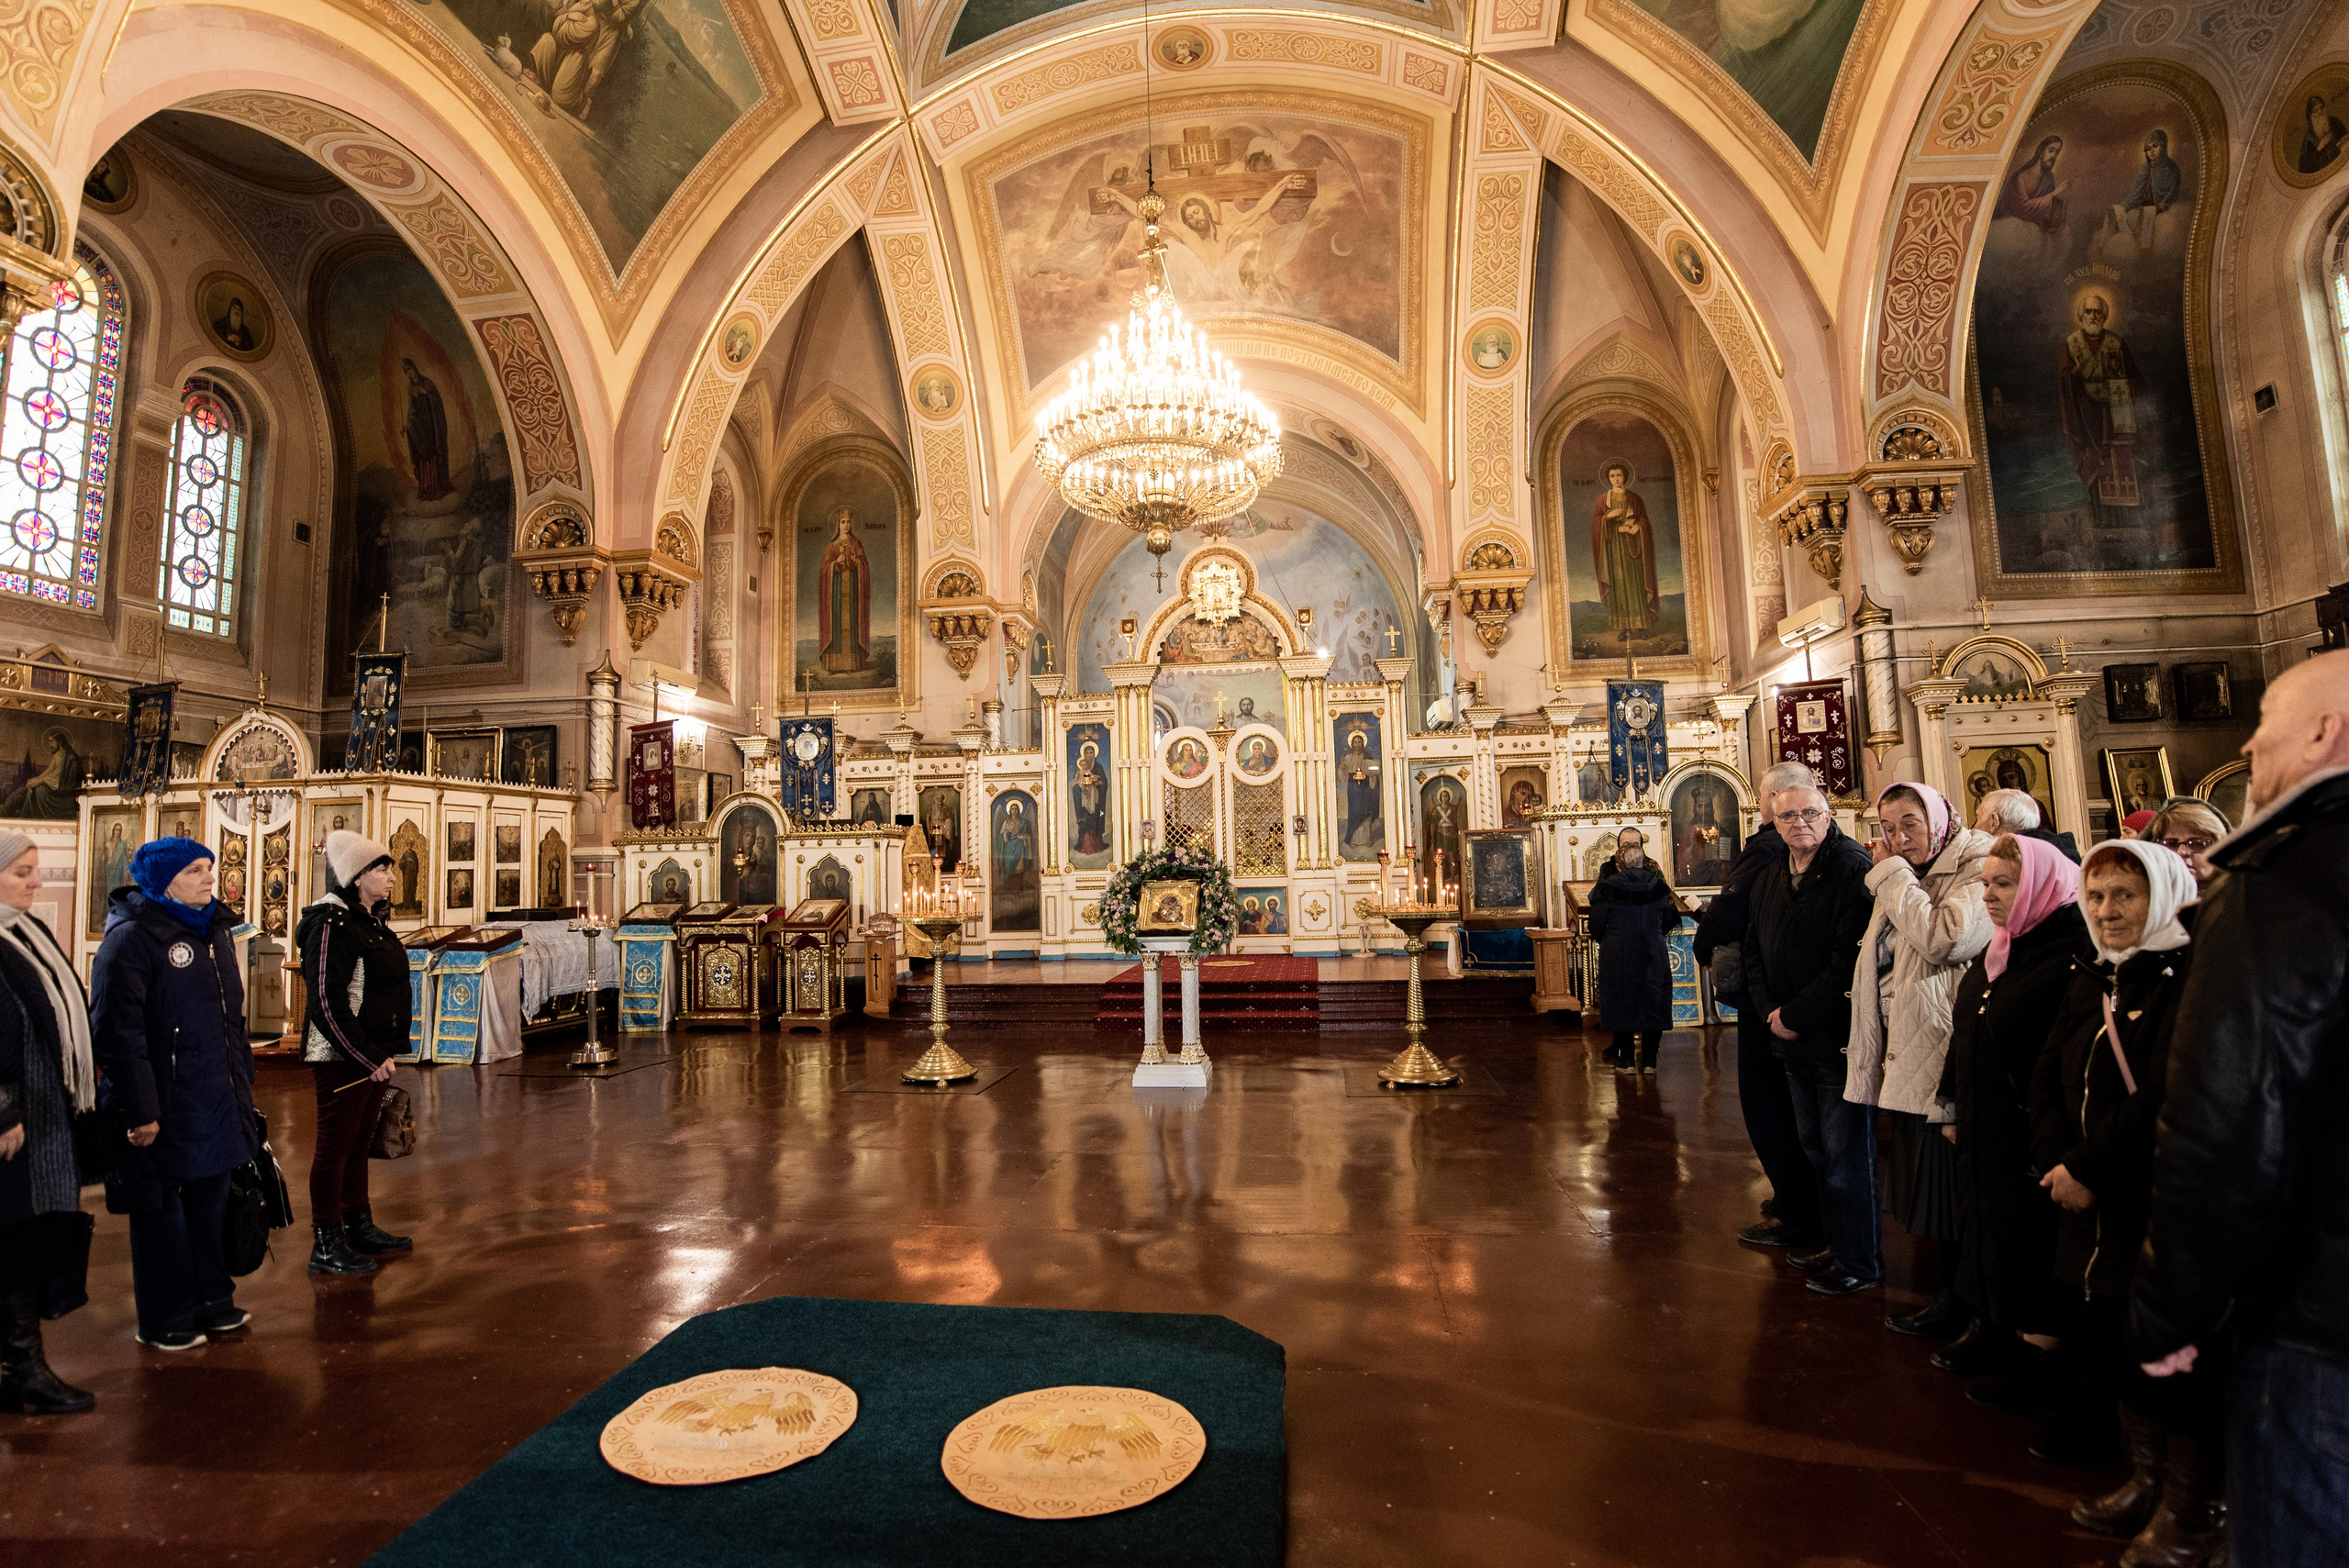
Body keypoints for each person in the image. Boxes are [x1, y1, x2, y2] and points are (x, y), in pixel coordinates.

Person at [2132, 648, 2349, 1568]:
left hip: (2319, 1327)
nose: (2250, 761)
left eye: (2260, 740)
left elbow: (2220, 1133)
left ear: (2323, 734)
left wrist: (2169, 1317)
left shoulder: (2279, 884)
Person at [2030, 842, 2205, 1510]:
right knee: (2096, 1315)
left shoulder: (2181, 974)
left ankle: (2175, 1501)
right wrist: (2054, 1156)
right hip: (2080, 1184)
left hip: (2142, 1191)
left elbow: (2163, 1089)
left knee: (2152, 1339)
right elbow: (2049, 1070)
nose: (2106, 910)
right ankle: (2143, 1478)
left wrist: (2086, 1166)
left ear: (2160, 893)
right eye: (2096, 895)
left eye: (2124, 895)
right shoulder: (2095, 970)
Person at [1937, 836, 2090, 1399]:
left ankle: (2042, 1365)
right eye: (1986, 882)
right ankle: (1994, 1330)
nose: (1990, 894)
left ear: (2041, 884)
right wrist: (1952, 1099)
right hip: (1987, 1120)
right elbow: (1970, 1022)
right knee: (1992, 1229)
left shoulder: (2069, 949)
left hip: (2034, 1129)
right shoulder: (2005, 944)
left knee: (2033, 1245)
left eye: (2005, 883)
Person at [90, 839, 255, 1351]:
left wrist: (240, 1085)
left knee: (210, 1203)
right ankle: (164, 1316)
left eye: (210, 868)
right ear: (162, 882)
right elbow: (118, 1033)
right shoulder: (134, 938)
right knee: (162, 1214)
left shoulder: (216, 931)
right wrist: (139, 1110)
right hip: (160, 1102)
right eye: (196, 871)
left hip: (215, 1094)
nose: (211, 878)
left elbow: (231, 1021)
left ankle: (212, 1299)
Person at [1843, 783, 1994, 1340]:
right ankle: (1949, 1298)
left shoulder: (1977, 864)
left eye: (1910, 823)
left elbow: (1944, 939)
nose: (1898, 838)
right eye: (1886, 829)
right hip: (1910, 1051)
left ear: (1940, 818)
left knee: (1956, 1197)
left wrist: (1892, 876)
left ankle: (1972, 1308)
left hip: (1948, 1054)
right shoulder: (1908, 871)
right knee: (1929, 1196)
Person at [1742, 782, 1878, 1295]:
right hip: (1789, 1035)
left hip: (1834, 1036)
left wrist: (1796, 1014)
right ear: (1774, 824)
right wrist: (1769, 1011)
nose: (1799, 823)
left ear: (1828, 815)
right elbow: (1754, 947)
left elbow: (1850, 961)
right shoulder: (1774, 872)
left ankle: (1860, 1262)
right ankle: (1833, 1243)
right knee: (1815, 1149)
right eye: (1788, 817)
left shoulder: (1850, 868)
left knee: (1847, 1156)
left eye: (1810, 813)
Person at [1694, 761, 1817, 1251]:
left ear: (1769, 800)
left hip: (1767, 997)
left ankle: (1797, 1206)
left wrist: (1704, 946)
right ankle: (1797, 1198)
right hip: (1782, 993)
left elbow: (1731, 909)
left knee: (1770, 1103)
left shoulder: (1767, 846)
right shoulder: (1794, 852)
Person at [0, 831, 96, 1412]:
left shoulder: (24, 931)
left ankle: (22, 1365)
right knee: (12, 1239)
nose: (37, 881)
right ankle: (23, 1369)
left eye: (36, 870)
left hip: (42, 1116)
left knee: (30, 1235)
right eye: (22, 872)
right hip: (13, 1121)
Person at [295, 830, 411, 1276]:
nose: (391, 878)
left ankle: (358, 1225)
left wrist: (381, 1050)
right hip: (341, 1055)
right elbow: (326, 1001)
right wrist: (367, 1055)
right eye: (382, 870)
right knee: (335, 1147)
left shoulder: (366, 920)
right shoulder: (330, 924)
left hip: (369, 1051)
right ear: (357, 877)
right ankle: (326, 1240)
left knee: (359, 1143)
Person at [1587, 828, 1677, 1073]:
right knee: (1653, 999)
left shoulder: (1608, 887)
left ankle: (1626, 1060)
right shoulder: (1658, 886)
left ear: (1620, 863)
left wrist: (1609, 936)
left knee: (1621, 1000)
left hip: (1618, 953)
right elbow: (1670, 918)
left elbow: (1595, 925)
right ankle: (1649, 1061)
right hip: (1653, 951)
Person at [2143, 798, 2228, 892]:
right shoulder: (2147, 900)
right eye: (2171, 844)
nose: (2181, 852)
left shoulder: (2239, 899)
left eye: (2198, 844)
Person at [1976, 785, 2080, 862]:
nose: (1973, 827)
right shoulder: (2061, 856)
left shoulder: (2004, 865)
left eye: (1978, 818)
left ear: (1993, 822)